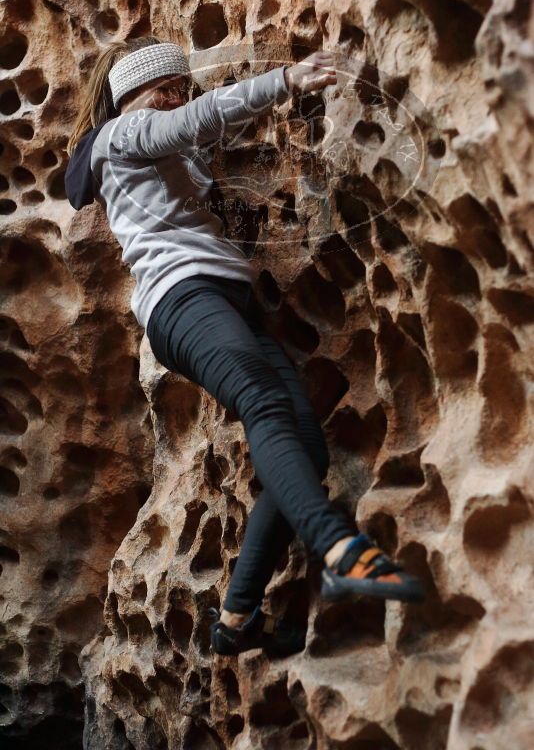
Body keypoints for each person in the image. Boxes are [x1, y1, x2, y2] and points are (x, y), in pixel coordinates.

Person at [65, 35, 424, 658]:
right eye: (164, 89)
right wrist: (285, 80)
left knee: (306, 449)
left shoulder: (157, 146)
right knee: (262, 400)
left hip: (222, 301)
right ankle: (338, 548)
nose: (177, 97)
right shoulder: (126, 132)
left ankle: (236, 619)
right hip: (182, 300)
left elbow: (199, 133)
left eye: (181, 86)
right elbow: (198, 119)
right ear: (132, 98)